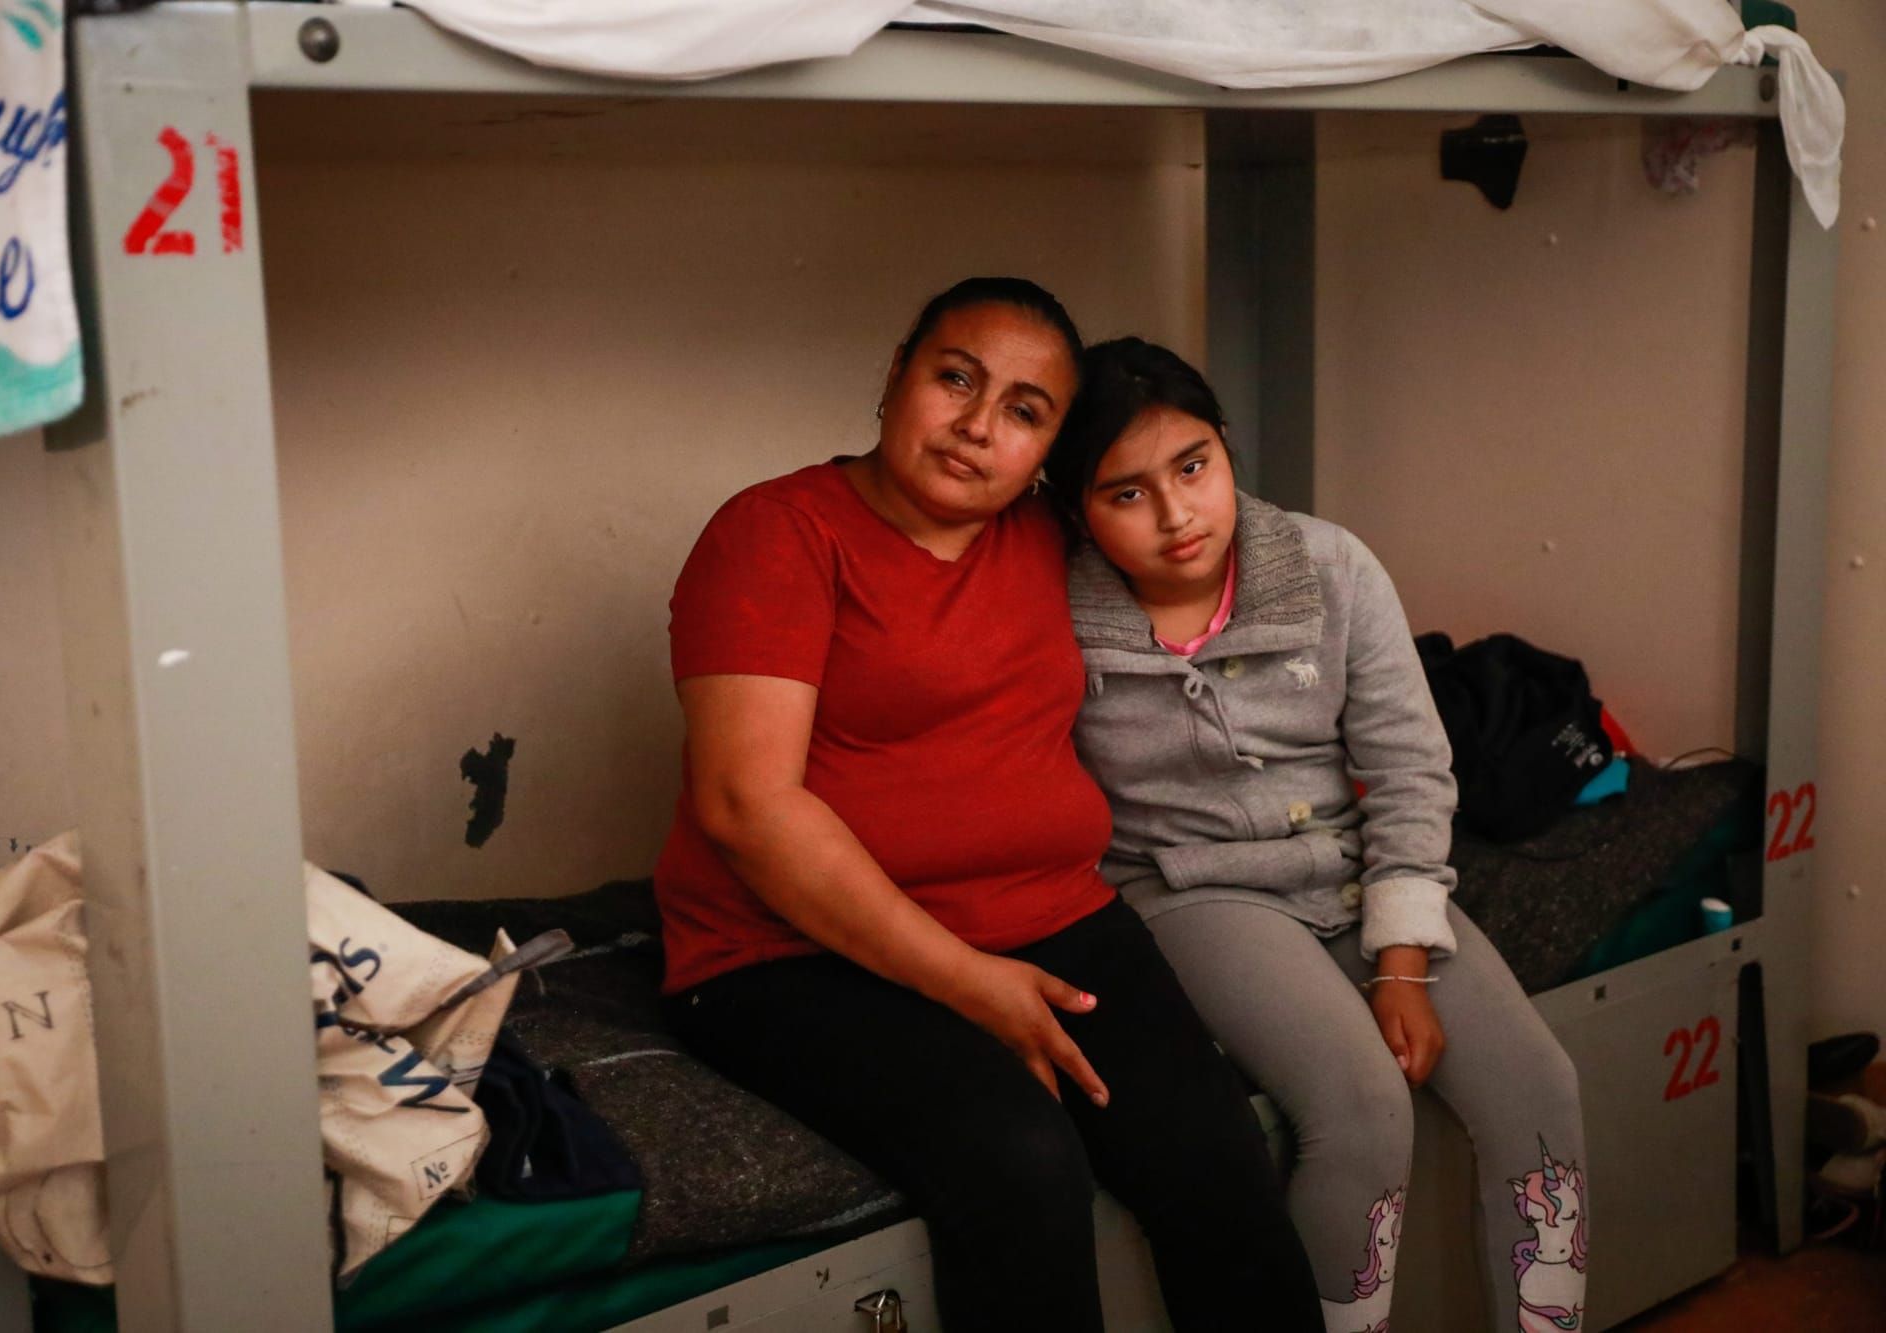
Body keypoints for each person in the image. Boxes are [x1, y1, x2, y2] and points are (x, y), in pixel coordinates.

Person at [655, 280, 1323, 1332]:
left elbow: (1196, 549)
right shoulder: (775, 535)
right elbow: (746, 806)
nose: (976, 427)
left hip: (1056, 916)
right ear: (894, 376)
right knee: (1020, 1162)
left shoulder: (1044, 535)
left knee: (1210, 1154)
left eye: (1023, 410)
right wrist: (970, 982)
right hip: (787, 957)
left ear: (1047, 451)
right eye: (954, 378)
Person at [1043, 337, 1589, 1333]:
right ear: (1071, 504)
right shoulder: (1045, 611)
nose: (1174, 515)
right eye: (1124, 493)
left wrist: (1402, 962)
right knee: (1361, 1109)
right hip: (1186, 889)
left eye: (1192, 466)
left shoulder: (1327, 565)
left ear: (1224, 451)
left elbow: (1411, 766)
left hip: (1347, 867)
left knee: (1537, 1082)